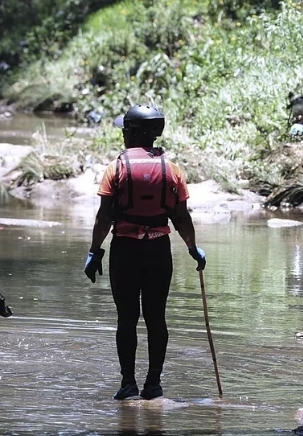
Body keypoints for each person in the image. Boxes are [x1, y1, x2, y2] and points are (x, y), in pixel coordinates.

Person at [83, 105, 207, 400]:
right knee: (156, 317)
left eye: (125, 130)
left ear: (132, 134)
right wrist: (192, 247)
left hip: (125, 251)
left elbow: (104, 217)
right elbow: (181, 217)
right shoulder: (172, 170)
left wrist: (94, 251)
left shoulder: (116, 168)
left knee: (126, 318)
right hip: (158, 252)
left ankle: (128, 384)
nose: (123, 134)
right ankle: (153, 384)